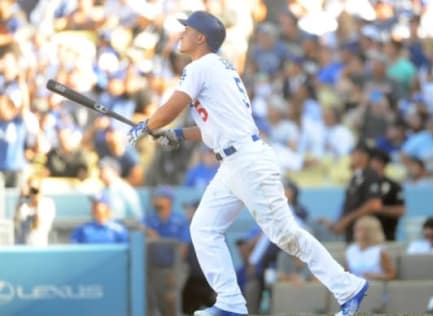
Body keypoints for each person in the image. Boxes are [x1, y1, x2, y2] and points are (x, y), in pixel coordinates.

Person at [127, 11, 368, 316]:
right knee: (203, 228)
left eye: (186, 29)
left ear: (201, 37)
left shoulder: (201, 66)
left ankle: (347, 287)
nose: (181, 34)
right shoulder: (218, 68)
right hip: (233, 162)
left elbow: (174, 105)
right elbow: (213, 128)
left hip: (247, 161)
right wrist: (176, 134)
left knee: (285, 234)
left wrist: (148, 124)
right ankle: (230, 303)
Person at [143, 186, 190, 316]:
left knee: (171, 300)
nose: (156, 200)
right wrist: (148, 232)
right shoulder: (149, 218)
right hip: (153, 268)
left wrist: (174, 272)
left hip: (174, 268)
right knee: (153, 303)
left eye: (160, 197)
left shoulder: (180, 220)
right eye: (155, 197)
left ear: (168, 200)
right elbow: (139, 231)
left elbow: (184, 246)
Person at [321, 143, 382, 242]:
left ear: (364, 156)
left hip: (365, 232)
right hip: (352, 231)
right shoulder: (355, 177)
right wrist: (339, 222)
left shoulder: (370, 175)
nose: (350, 157)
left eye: (354, 153)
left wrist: (347, 220)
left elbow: (375, 204)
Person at [346, 216, 396, 281]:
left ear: (370, 232)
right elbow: (348, 273)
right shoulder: (351, 250)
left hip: (376, 287)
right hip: (356, 288)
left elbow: (392, 275)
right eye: (356, 229)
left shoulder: (380, 251)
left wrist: (376, 276)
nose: (355, 232)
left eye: (360, 229)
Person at [369, 149, 405, 241]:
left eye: (377, 161)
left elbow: (400, 210)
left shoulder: (394, 186)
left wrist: (378, 209)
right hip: (365, 238)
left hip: (387, 235)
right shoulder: (364, 185)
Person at [14, 176, 56, 246]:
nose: (33, 193)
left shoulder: (48, 203)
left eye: (35, 189)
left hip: (38, 246)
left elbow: (38, 224)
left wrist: (37, 204)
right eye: (30, 189)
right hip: (21, 247)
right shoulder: (24, 205)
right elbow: (16, 223)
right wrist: (21, 197)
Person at [98, 157, 143, 221]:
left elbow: (137, 213)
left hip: (124, 226)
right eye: (101, 170)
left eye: (104, 171)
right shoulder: (102, 190)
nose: (101, 174)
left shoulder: (124, 189)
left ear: (115, 172)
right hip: (108, 226)